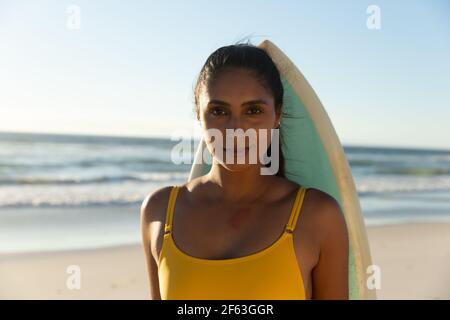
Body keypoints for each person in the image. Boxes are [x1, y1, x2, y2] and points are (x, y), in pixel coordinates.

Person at [141, 41, 349, 300]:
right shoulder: (159, 211)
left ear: (277, 115)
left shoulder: (318, 216)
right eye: (218, 111)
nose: (236, 129)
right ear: (198, 114)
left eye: (253, 110)